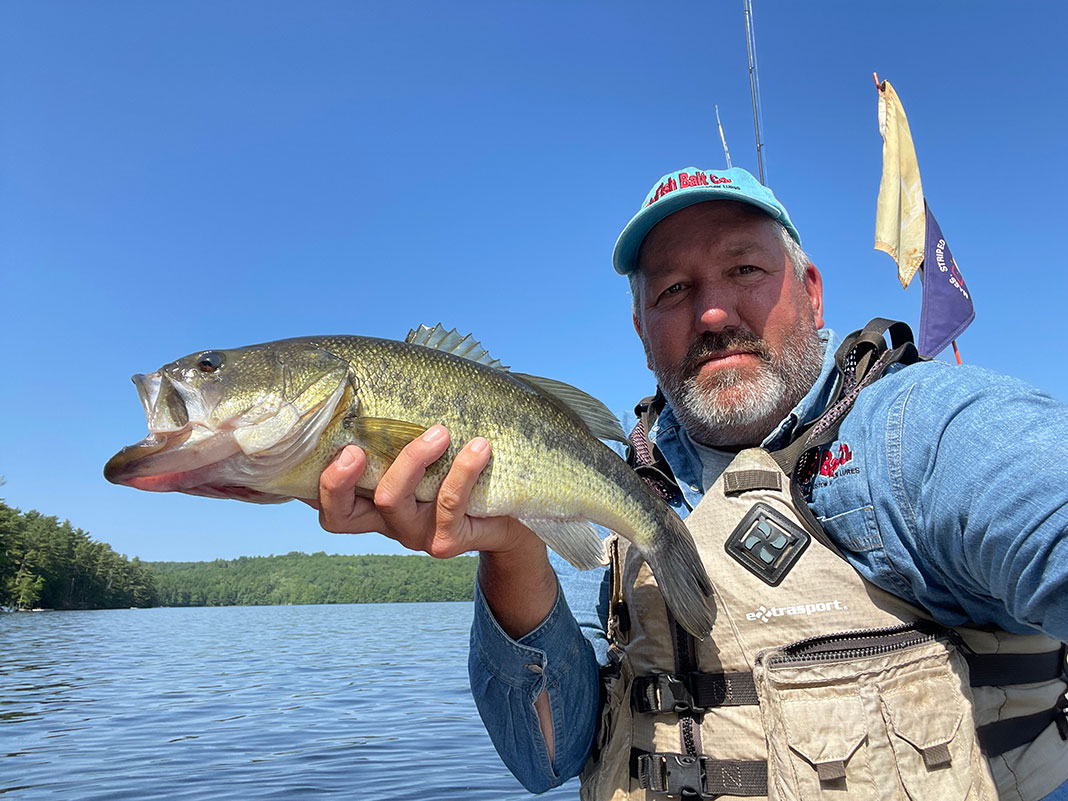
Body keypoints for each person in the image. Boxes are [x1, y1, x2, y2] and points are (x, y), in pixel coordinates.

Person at [312, 167, 1068, 800]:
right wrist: (510, 548)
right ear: (642, 332)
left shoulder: (919, 434)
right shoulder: (629, 485)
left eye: (745, 269)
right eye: (672, 289)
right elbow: (545, 759)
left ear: (811, 292)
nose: (711, 310)